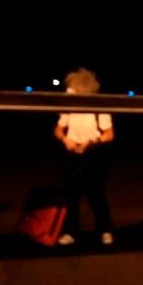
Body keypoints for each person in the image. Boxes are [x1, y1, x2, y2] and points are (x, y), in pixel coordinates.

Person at [54, 67, 116, 246]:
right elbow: (58, 130)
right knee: (71, 195)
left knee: (95, 194)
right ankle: (70, 232)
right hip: (73, 154)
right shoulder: (69, 108)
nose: (69, 92)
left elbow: (109, 134)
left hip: (93, 155)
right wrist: (65, 140)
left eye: (72, 90)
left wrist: (91, 142)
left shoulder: (98, 108)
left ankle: (105, 230)